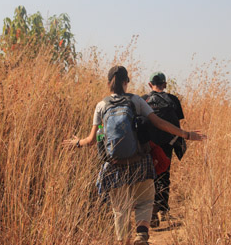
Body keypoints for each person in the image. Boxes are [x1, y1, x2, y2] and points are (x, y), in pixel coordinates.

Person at [63, 66, 205, 245]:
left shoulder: (101, 105)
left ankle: (125, 241)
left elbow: (92, 140)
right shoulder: (136, 101)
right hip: (140, 163)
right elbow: (159, 123)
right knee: (145, 201)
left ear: (108, 84)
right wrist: (187, 134)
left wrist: (77, 142)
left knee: (120, 209)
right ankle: (141, 236)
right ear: (126, 82)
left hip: (114, 165)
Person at [141, 72, 185, 228]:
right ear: (165, 84)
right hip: (168, 143)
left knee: (149, 176)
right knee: (165, 173)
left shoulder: (143, 99)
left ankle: (151, 208)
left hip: (149, 145)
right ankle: (163, 208)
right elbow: (176, 122)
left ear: (150, 84)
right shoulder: (172, 99)